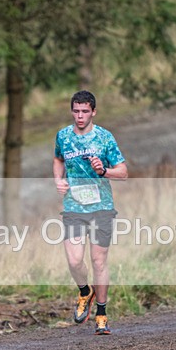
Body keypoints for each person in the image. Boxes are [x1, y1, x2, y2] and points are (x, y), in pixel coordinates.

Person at [53, 90, 128, 335]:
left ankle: (102, 314)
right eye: (76, 111)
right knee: (74, 261)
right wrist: (59, 180)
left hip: (101, 208)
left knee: (98, 261)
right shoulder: (63, 136)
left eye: (85, 111)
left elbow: (123, 172)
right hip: (73, 207)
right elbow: (58, 159)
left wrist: (104, 171)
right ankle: (86, 292)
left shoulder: (105, 138)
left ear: (93, 112)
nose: (80, 116)